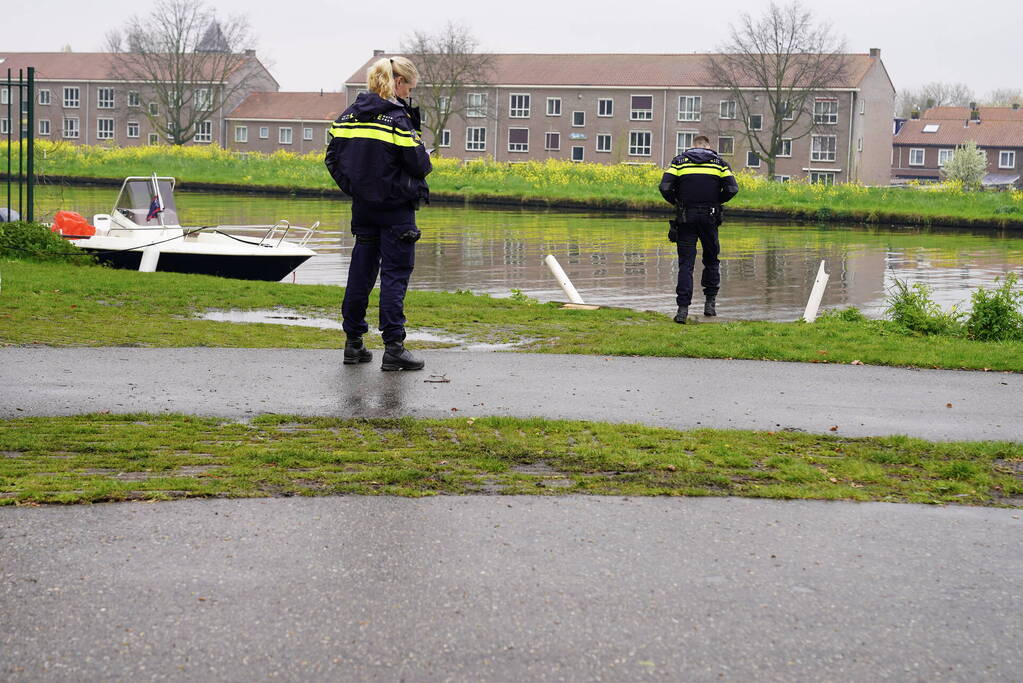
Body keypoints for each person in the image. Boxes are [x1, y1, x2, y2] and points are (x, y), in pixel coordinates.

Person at [325, 56, 432, 371]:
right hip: (396, 210)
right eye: (409, 89)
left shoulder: (348, 116)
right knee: (395, 276)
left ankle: (354, 344)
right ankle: (394, 348)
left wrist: (355, 188)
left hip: (364, 208)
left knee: (360, 273)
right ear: (398, 84)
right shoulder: (398, 119)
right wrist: (424, 154)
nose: (408, 95)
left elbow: (332, 158)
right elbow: (418, 164)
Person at [658, 135, 739, 324]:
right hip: (710, 218)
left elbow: (665, 186)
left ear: (692, 146)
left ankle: (682, 310)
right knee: (711, 260)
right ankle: (710, 305)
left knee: (686, 264)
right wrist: (718, 201)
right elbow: (732, 188)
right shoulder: (720, 164)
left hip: (686, 217)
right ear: (708, 146)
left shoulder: (679, 162)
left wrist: (676, 201)